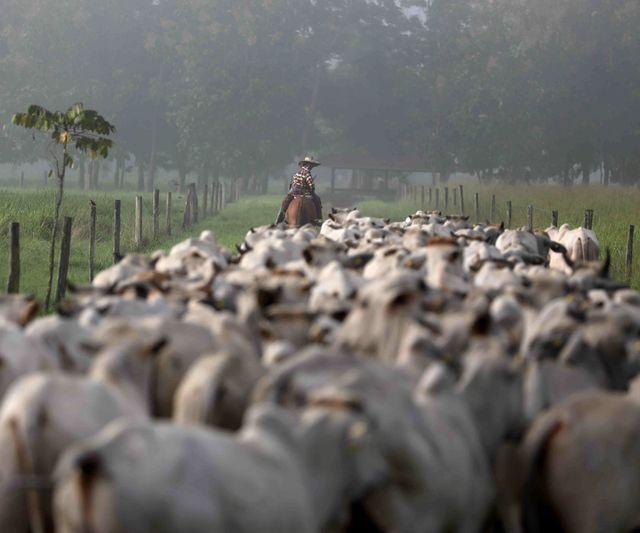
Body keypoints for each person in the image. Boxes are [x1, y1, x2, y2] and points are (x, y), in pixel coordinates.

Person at [275, 156, 323, 224]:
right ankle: (318, 218)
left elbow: (292, 183)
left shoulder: (297, 172)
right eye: (312, 165)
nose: (312, 167)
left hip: (294, 192)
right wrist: (312, 187)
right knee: (317, 199)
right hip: (306, 193)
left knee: (284, 202)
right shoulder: (307, 173)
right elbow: (311, 186)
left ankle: (279, 218)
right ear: (309, 164)